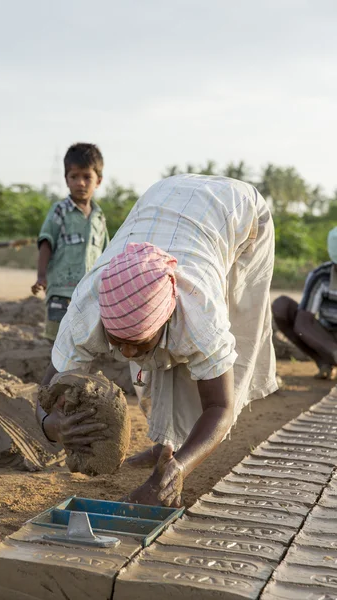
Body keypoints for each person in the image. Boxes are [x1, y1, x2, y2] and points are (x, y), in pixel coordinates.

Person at [37, 174, 277, 507]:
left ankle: (172, 457)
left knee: (212, 346)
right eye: (117, 341)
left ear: (167, 318)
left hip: (239, 214)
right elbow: (46, 391)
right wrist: (55, 426)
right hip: (163, 197)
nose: (126, 352)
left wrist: (182, 467)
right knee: (157, 360)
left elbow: (220, 406)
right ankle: (165, 444)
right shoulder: (86, 309)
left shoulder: (201, 313)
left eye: (137, 342)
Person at [32, 142, 109, 341]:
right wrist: (41, 276)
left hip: (88, 293)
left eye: (86, 177)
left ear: (98, 181)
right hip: (60, 289)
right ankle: (55, 372)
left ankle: (71, 372)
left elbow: (106, 253)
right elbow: (46, 241)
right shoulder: (60, 210)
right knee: (57, 338)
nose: (80, 183)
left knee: (82, 339)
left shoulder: (99, 218)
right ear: (66, 180)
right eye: (74, 177)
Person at [272, 226, 337, 380]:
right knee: (282, 307)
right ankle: (324, 361)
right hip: (328, 338)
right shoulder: (321, 276)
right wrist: (334, 351)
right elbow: (303, 323)